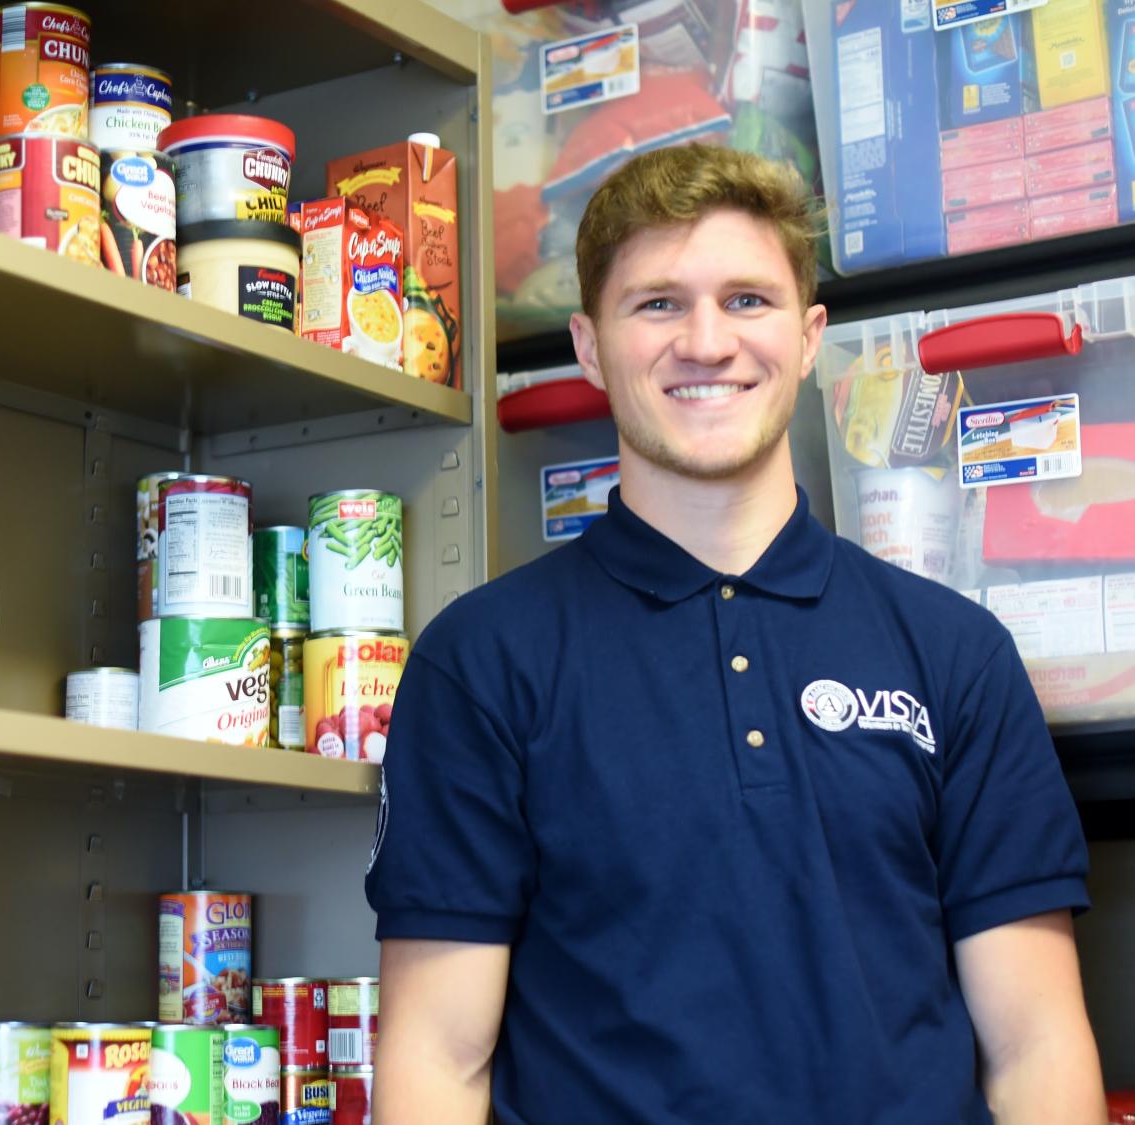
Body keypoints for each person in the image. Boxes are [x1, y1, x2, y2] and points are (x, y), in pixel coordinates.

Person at [363, 144, 1106, 1123]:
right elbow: (436, 1055)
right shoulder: (482, 661)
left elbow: (1037, 1047)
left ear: (808, 339)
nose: (707, 343)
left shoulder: (953, 653)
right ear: (589, 347)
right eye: (658, 304)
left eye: (748, 300)